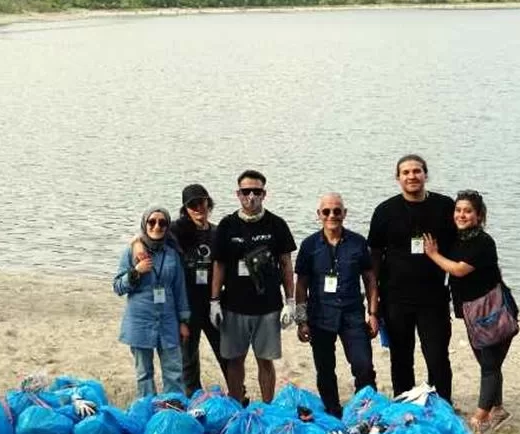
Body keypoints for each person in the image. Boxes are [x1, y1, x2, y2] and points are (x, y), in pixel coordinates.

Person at [367, 154, 457, 403]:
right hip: (395, 298)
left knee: (437, 357)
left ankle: (442, 407)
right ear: (398, 178)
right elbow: (373, 258)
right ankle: (403, 407)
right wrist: (372, 304)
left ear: (425, 175)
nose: (412, 176)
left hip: (433, 297)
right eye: (405, 172)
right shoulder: (385, 211)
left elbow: (460, 247)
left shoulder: (444, 206)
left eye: (417, 171)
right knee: (401, 358)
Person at [130, 184, 235, 397]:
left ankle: (237, 394)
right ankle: (192, 397)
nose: (198, 208)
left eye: (201, 202)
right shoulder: (176, 231)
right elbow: (146, 235)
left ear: (208, 203)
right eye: (192, 205)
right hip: (187, 305)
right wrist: (137, 246)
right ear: (185, 209)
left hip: (215, 302)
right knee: (188, 357)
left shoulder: (218, 232)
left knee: (227, 353)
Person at [423, 190, 513, 434]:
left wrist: (433, 254)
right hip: (473, 313)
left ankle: (481, 416)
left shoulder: (483, 242)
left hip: (493, 310)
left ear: (479, 215)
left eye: (468, 211)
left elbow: (459, 270)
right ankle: (498, 409)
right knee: (487, 361)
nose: (462, 215)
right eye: (458, 210)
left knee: (489, 364)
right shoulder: (458, 239)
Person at [209, 170, 297, 404]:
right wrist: (214, 301)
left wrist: (290, 302)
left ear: (264, 194)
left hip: (268, 306)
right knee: (235, 360)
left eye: (256, 192)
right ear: (238, 194)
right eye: (246, 192)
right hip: (234, 305)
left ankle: (267, 407)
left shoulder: (277, 224)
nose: (251, 197)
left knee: (265, 361)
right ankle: (237, 405)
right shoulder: (227, 225)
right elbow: (219, 265)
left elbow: (286, 264)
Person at [294, 193, 380, 418]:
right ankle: (333, 411)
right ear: (319, 215)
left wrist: (373, 314)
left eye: (337, 211)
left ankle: (365, 410)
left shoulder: (358, 242)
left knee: (363, 365)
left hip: (352, 313)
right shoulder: (309, 245)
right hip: (320, 315)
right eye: (326, 211)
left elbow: (370, 279)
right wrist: (301, 320)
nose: (332, 215)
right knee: (325, 369)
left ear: (344, 214)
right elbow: (301, 285)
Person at [114, 207, 190, 397]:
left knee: (174, 371)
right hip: (140, 320)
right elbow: (117, 287)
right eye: (152, 222)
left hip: (167, 321)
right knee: (144, 373)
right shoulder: (131, 253)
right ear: (144, 224)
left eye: (163, 223)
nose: (157, 226)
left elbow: (179, 289)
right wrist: (136, 272)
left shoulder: (172, 254)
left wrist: (183, 321)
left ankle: (174, 408)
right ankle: (148, 409)